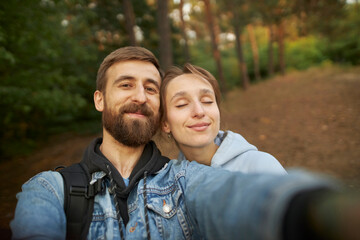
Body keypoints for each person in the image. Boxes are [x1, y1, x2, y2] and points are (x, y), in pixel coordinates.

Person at [10, 46, 360, 240]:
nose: (140, 96)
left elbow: (236, 197)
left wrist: (312, 210)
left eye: (150, 87)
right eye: (126, 84)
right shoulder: (50, 189)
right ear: (99, 99)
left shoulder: (185, 178)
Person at [160, 63, 286, 174]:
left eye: (207, 101)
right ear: (165, 124)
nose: (199, 111)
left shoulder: (261, 168)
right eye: (182, 104)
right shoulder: (169, 187)